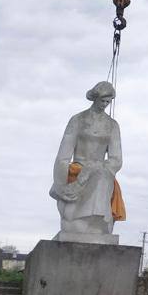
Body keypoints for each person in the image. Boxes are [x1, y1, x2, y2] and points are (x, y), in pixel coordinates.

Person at [50, 81, 125, 237]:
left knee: (102, 176)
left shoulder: (112, 126)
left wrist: (98, 167)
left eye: (108, 102)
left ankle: (96, 220)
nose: (104, 104)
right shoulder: (78, 120)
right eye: (102, 100)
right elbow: (63, 155)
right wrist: (60, 184)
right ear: (95, 98)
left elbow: (116, 159)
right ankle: (74, 218)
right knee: (94, 175)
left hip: (101, 170)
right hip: (77, 168)